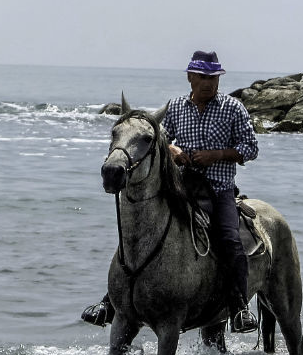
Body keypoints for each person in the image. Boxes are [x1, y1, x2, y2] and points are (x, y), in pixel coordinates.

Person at [82, 50, 261, 333]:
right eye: (203, 77)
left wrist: (216, 155)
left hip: (218, 189)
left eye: (213, 77)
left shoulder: (232, 108)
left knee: (229, 239)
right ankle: (112, 301)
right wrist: (173, 149)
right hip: (180, 186)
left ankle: (239, 306)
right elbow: (158, 139)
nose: (208, 83)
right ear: (190, 77)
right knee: (140, 231)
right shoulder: (177, 107)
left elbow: (251, 148)